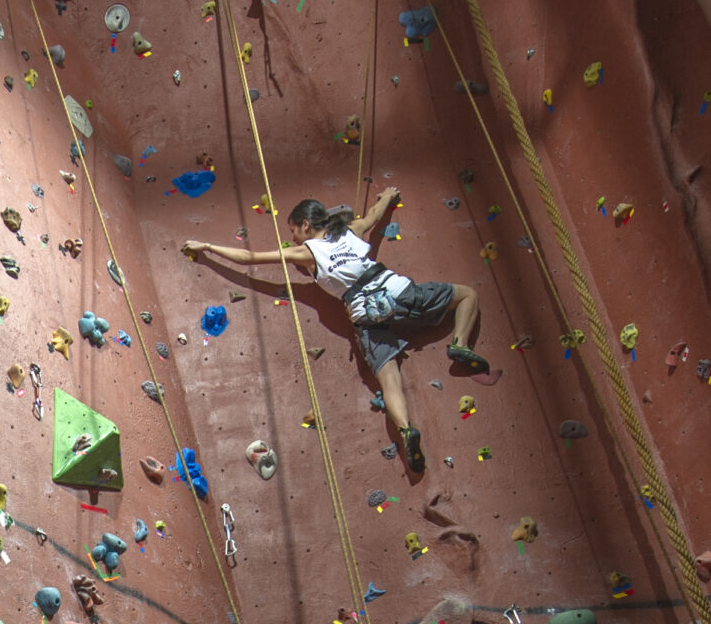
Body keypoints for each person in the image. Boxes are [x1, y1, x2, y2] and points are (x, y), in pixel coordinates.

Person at [180, 193, 485, 477]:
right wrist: (387, 197)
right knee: (467, 294)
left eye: (293, 231)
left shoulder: (307, 251)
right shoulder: (350, 230)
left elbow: (250, 258)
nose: (293, 238)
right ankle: (459, 344)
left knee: (389, 379)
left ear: (306, 224)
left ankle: (406, 430)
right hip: (395, 291)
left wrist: (206, 247)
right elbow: (374, 216)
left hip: (364, 313)